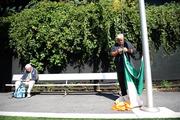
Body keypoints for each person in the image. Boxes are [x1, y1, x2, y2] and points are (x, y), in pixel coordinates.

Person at [111, 33, 136, 98]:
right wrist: (117, 52)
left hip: (128, 67)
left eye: (121, 40)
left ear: (123, 39)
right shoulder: (115, 46)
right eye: (118, 40)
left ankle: (132, 96)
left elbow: (134, 51)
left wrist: (127, 50)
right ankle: (124, 96)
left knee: (129, 81)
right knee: (121, 81)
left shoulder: (127, 44)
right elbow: (112, 54)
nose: (119, 41)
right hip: (119, 67)